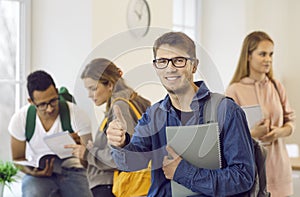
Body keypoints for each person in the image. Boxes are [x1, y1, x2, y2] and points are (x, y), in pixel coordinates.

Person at [106, 31, 255, 196]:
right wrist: (120, 144)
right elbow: (131, 164)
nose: (170, 68)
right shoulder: (154, 115)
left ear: (194, 65)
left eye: (179, 60)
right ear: (156, 66)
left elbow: (243, 177)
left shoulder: (226, 111)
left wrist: (183, 172)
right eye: (162, 61)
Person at [65, 58, 151, 197]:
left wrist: (88, 153)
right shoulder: (136, 102)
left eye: (93, 88)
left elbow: (122, 155)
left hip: (108, 186)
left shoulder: (120, 107)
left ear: (109, 84)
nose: (89, 95)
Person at [226, 31, 296, 197]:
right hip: (251, 172)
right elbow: (227, 138)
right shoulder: (234, 91)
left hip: (280, 170)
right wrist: (252, 134)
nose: (268, 59)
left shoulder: (276, 86)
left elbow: (290, 124)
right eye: (262, 54)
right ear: (248, 56)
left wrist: (279, 132)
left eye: (271, 54)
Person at [8, 70, 93, 197]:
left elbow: (90, 161)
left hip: (74, 171)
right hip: (38, 175)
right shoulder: (21, 119)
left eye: (53, 100)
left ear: (57, 92)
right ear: (31, 101)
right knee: (33, 193)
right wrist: (33, 173)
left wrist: (82, 149)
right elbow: (17, 159)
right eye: (42, 104)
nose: (50, 109)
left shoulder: (76, 115)